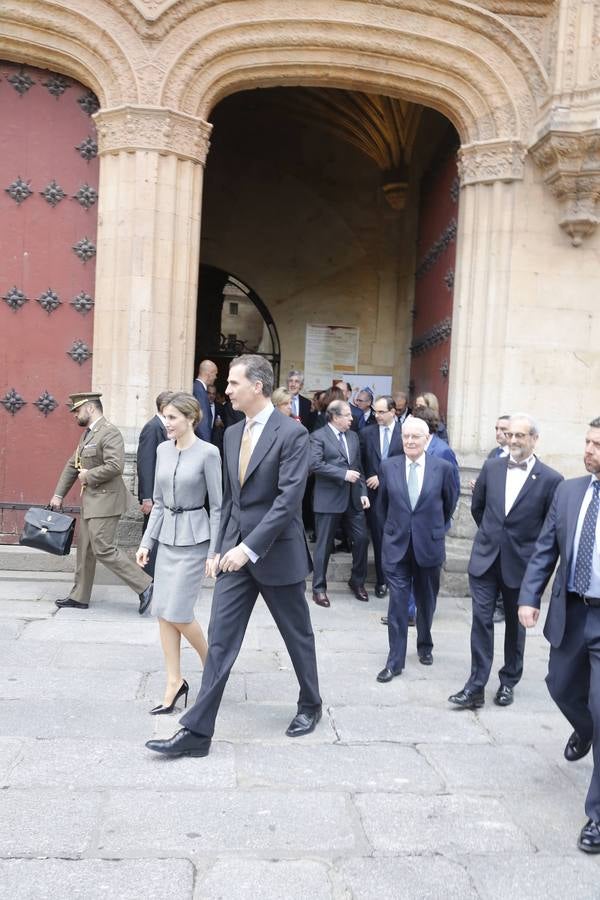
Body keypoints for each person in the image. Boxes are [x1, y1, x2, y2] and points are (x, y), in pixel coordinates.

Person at [145, 354, 321, 758]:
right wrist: (221, 547)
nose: (225, 390)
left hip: (277, 554)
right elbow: (229, 502)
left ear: (257, 386)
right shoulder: (230, 434)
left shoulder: (293, 435)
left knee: (297, 637)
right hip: (234, 556)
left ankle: (311, 703)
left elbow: (287, 501)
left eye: (233, 383)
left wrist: (248, 548)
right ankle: (197, 732)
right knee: (221, 642)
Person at [518, 417, 600, 854]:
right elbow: (546, 547)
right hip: (571, 613)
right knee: (561, 687)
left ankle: (597, 817)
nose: (588, 450)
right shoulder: (570, 491)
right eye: (587, 442)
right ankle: (584, 729)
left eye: (597, 445)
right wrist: (530, 596)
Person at [448, 414, 563, 710]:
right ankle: (475, 686)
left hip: (521, 565)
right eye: (509, 435)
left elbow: (549, 530)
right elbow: (479, 507)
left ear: (534, 439)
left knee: (515, 625)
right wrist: (491, 536)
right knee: (481, 621)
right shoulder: (492, 466)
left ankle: (509, 681)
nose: (512, 440)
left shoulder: (551, 479)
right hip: (485, 559)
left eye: (519, 436)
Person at [136, 393, 222, 715]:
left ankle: (213, 669)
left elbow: (217, 506)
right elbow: (157, 502)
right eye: (165, 417)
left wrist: (215, 552)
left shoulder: (208, 453)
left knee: (180, 613)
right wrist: (147, 543)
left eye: (172, 417)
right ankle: (174, 682)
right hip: (166, 539)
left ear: (190, 419)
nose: (167, 423)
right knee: (162, 610)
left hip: (195, 540)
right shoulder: (161, 450)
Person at [50, 392, 153, 613]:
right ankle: (79, 596)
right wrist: (58, 495)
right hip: (92, 501)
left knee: (102, 548)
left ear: (89, 408)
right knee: (85, 549)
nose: (75, 415)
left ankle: (145, 584)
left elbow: (116, 466)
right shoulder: (88, 435)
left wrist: (88, 476)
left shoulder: (109, 432)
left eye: (77, 410)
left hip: (106, 500)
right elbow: (72, 464)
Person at [376, 416, 459, 681]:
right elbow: (382, 505)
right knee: (397, 605)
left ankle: (425, 644)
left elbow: (449, 503)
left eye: (416, 437)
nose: (410, 441)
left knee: (426, 601)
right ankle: (394, 661)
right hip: (397, 545)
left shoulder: (443, 468)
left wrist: (430, 527)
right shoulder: (389, 466)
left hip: (428, 545)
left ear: (427, 440)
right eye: (406, 437)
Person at [309, 399, 370, 607]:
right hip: (328, 499)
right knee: (324, 546)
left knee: (361, 540)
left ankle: (357, 581)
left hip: (353, 499)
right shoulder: (318, 436)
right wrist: (343, 474)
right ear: (335, 417)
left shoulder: (353, 437)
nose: (352, 419)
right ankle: (319, 588)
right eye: (348, 415)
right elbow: (315, 464)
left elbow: (358, 466)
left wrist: (363, 492)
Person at [360, 395, 403, 598]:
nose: (377, 415)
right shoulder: (367, 433)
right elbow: (360, 463)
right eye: (375, 411)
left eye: (381, 412)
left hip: (399, 496)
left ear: (393, 412)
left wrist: (382, 478)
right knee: (378, 538)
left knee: (397, 539)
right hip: (374, 496)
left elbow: (407, 463)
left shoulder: (405, 434)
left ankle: (397, 578)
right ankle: (382, 580)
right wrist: (371, 477)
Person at [136, 390, 171, 578]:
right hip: (154, 498)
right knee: (150, 537)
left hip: (163, 496)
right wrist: (147, 497)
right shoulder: (152, 427)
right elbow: (145, 464)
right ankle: (147, 579)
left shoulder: (165, 427)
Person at [193, 359, 218, 442]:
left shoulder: (199, 388)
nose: (216, 377)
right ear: (209, 374)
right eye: (215, 374)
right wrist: (206, 445)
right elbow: (202, 422)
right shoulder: (199, 391)